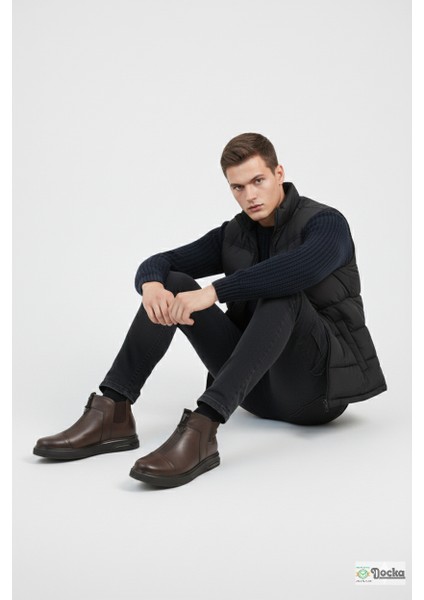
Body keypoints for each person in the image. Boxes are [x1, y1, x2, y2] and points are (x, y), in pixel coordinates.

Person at [33, 132, 387, 487]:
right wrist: (151, 284)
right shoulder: (234, 234)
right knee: (174, 282)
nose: (249, 196)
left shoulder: (326, 224)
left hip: (317, 392)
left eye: (258, 181)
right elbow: (161, 261)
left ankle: (203, 429)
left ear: (279, 173)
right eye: (238, 187)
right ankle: (114, 412)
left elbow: (300, 269)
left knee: (284, 295)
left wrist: (214, 291)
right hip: (254, 392)